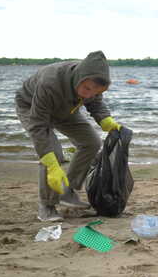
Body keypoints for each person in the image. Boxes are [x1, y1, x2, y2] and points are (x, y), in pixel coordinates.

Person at [15, 51, 122, 222]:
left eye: (96, 91)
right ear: (79, 77)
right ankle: (47, 206)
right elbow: (38, 126)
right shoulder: (50, 82)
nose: (89, 94)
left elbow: (95, 102)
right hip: (31, 107)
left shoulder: (93, 84)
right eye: (87, 88)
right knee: (53, 154)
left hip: (66, 107)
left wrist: (105, 120)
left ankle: (68, 191)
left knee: (91, 142)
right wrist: (51, 164)